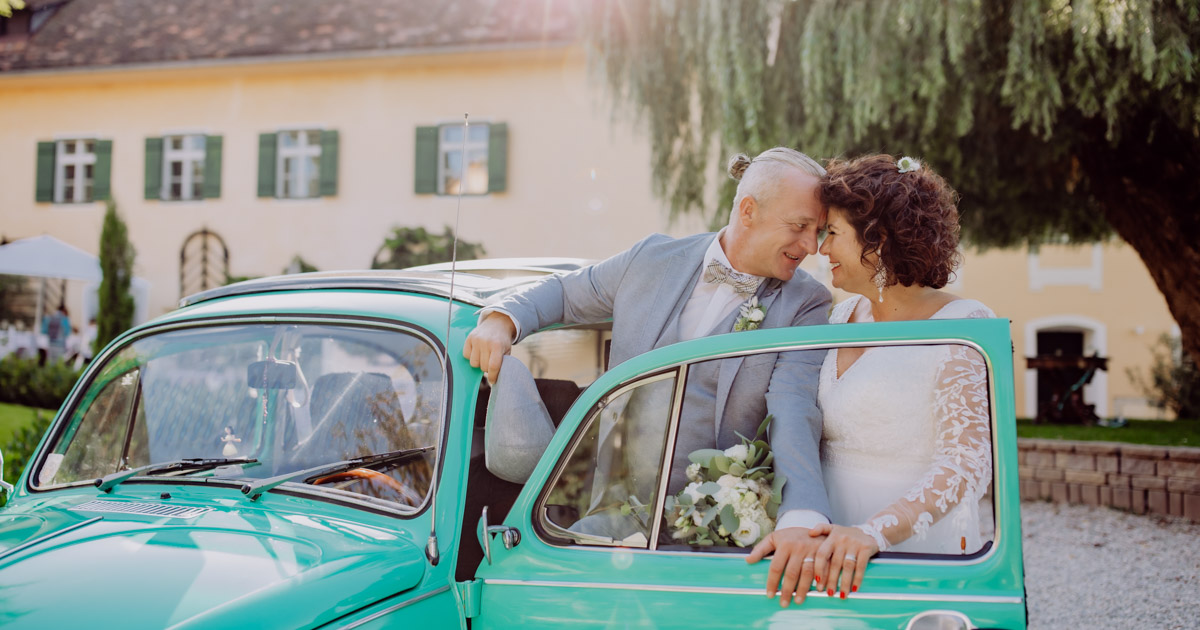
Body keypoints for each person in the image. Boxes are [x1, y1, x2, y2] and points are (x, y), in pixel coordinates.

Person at [466, 147, 835, 602]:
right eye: (800, 227)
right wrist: (500, 321)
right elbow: (563, 294)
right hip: (609, 516)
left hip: (715, 538)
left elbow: (793, 411)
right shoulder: (650, 259)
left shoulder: (807, 303)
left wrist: (802, 516)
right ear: (748, 210)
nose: (812, 247)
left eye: (818, 231)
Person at [754, 154, 994, 601]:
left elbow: (967, 464)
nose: (820, 249)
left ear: (878, 239)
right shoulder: (838, 317)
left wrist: (873, 533)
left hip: (911, 549)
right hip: (824, 547)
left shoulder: (963, 325)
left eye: (833, 234)